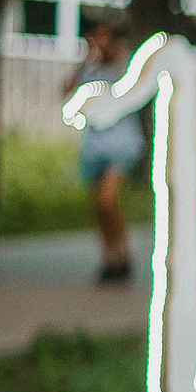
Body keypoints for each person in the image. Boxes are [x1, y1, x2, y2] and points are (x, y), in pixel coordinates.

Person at [67, 19, 145, 283]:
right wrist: (85, 59)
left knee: (107, 199)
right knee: (98, 208)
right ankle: (110, 257)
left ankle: (123, 251)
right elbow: (66, 91)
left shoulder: (124, 68)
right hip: (94, 146)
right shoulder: (90, 71)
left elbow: (135, 83)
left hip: (122, 144)